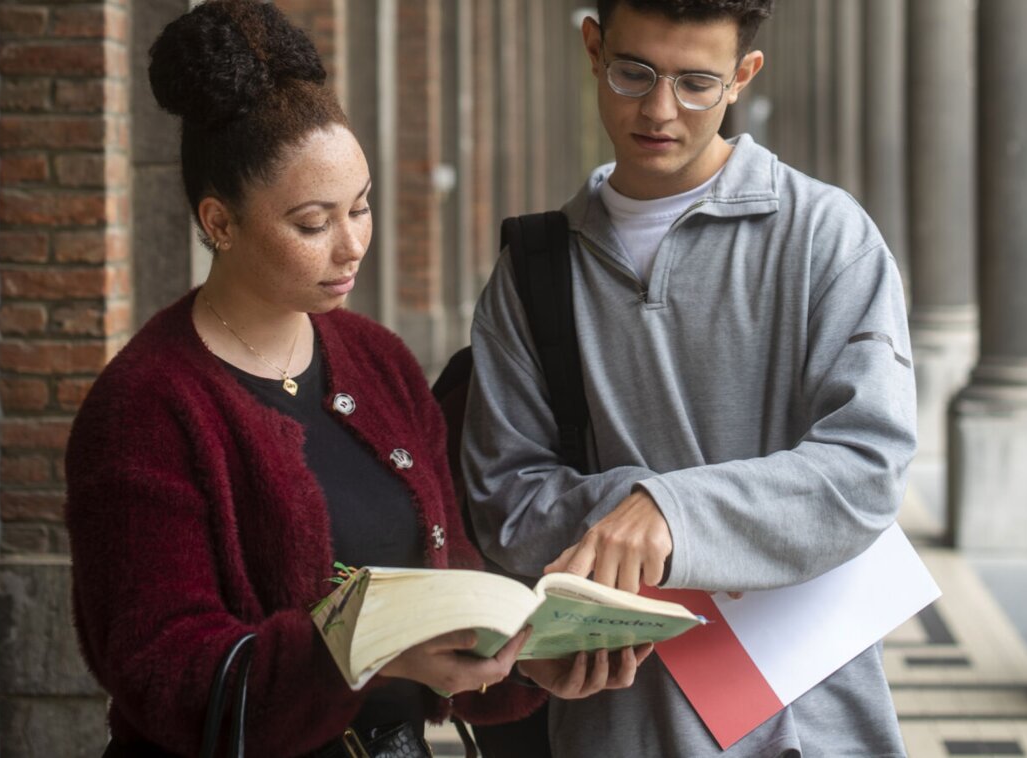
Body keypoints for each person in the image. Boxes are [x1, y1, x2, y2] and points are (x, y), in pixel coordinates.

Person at [65, 2, 542, 755]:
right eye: (313, 224)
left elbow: (449, 578)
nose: (351, 245)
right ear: (219, 222)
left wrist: (539, 659)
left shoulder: (377, 360)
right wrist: (359, 652)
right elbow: (166, 672)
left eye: (362, 207)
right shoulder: (147, 406)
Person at [462, 0, 917, 755]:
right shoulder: (535, 269)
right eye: (633, 72)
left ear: (744, 76)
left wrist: (673, 513)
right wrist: (633, 511)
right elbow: (502, 500)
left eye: (697, 83)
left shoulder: (826, 235)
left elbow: (867, 466)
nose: (660, 110)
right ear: (592, 46)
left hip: (811, 719)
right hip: (618, 716)